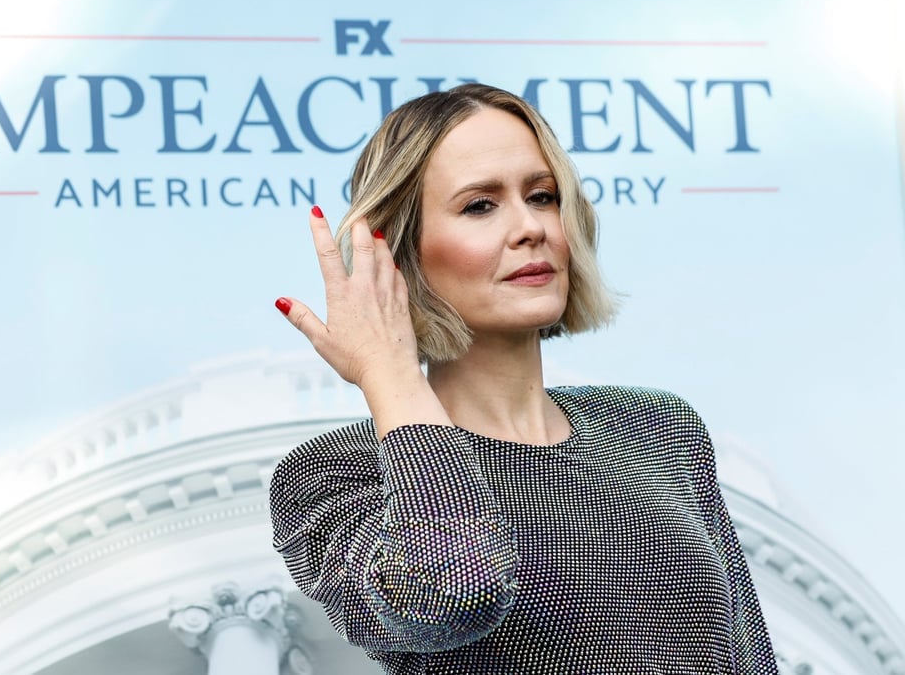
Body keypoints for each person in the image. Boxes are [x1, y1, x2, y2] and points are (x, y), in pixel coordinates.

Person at [269, 83, 778, 674]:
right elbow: (453, 596)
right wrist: (391, 377)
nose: (530, 227)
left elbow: (752, 656)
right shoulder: (331, 474)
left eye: (542, 196)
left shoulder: (659, 428)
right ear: (397, 253)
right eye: (480, 206)